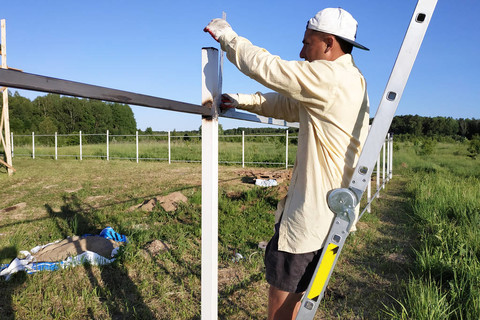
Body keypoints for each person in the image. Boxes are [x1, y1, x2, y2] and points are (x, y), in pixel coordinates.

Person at [205, 7, 370, 320]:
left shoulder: (330, 77)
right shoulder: (350, 80)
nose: (302, 52)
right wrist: (242, 100)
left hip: (310, 216)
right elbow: (290, 104)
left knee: (283, 300)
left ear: (328, 43)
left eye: (307, 43)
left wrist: (229, 39)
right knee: (301, 292)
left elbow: (272, 69)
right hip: (331, 217)